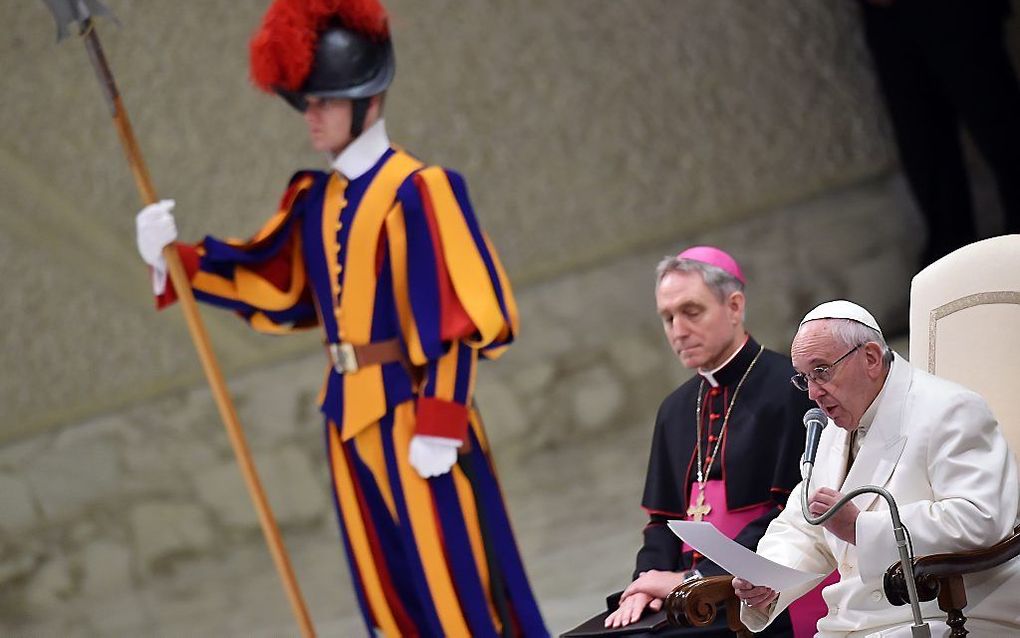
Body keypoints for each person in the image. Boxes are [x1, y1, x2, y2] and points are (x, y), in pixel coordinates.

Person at [133, 1, 547, 636]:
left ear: (370, 102)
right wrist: (176, 260)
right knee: (391, 588)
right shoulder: (315, 199)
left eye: (326, 100)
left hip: (416, 412)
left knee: (457, 583)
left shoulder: (420, 188)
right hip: (346, 416)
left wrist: (441, 420)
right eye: (307, 101)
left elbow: (460, 318)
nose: (312, 115)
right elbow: (281, 289)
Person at [734, 300, 1020, 636]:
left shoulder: (950, 409)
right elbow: (803, 527)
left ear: (870, 358)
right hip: (856, 620)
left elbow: (980, 519)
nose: (812, 393)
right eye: (804, 378)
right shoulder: (832, 429)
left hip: (948, 612)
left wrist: (862, 528)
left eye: (821, 371)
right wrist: (767, 578)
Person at [604, 246, 826, 636]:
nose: (678, 329)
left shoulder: (791, 388)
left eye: (691, 311)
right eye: (667, 317)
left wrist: (695, 579)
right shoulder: (673, 410)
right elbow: (661, 523)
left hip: (758, 590)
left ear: (735, 306)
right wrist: (644, 584)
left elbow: (794, 511)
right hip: (689, 593)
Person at [858, 0, 1020, 267]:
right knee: (924, 148)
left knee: (999, 128)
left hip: (955, 9)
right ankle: (950, 275)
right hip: (886, 13)